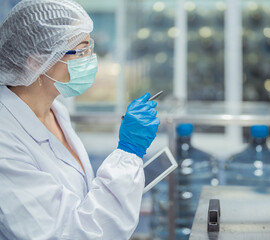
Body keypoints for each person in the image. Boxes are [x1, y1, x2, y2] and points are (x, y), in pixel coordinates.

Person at [0, 0, 160, 239]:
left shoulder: (56, 109)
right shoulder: (5, 141)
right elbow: (72, 233)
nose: (91, 59)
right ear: (36, 61)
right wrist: (129, 152)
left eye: (90, 48)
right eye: (82, 50)